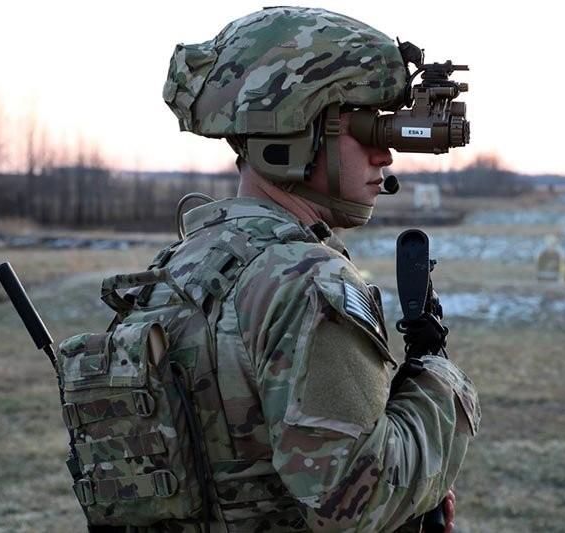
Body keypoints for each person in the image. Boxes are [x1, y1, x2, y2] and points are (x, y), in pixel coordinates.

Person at [102, 7, 479, 532]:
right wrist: (439, 379)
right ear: (295, 132)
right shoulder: (308, 282)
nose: (386, 155)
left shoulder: (182, 266)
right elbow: (356, 502)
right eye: (369, 128)